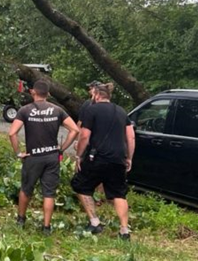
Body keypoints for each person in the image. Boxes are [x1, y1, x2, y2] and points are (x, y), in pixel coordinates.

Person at [8, 80, 79, 233]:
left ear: (33, 92)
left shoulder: (25, 110)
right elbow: (74, 130)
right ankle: (46, 227)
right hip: (52, 156)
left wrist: (18, 152)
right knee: (49, 193)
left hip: (33, 156)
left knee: (26, 189)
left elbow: (12, 132)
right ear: (48, 94)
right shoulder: (57, 110)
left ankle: (21, 219)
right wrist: (62, 148)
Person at [73, 83, 136, 240]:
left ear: (97, 95)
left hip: (97, 158)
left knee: (81, 185)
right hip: (118, 159)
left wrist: (78, 156)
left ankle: (94, 222)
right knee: (119, 194)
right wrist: (129, 158)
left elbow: (85, 136)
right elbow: (131, 137)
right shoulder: (121, 112)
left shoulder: (91, 110)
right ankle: (124, 230)